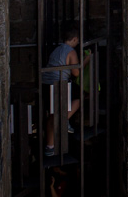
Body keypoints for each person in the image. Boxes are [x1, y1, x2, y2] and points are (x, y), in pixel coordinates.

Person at [43, 25, 89, 156]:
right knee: (80, 97)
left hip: (46, 84)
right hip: (59, 84)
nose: (78, 43)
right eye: (78, 40)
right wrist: (86, 60)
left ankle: (50, 147)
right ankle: (64, 119)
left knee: (52, 114)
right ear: (74, 39)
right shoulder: (71, 51)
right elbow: (76, 73)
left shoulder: (56, 49)